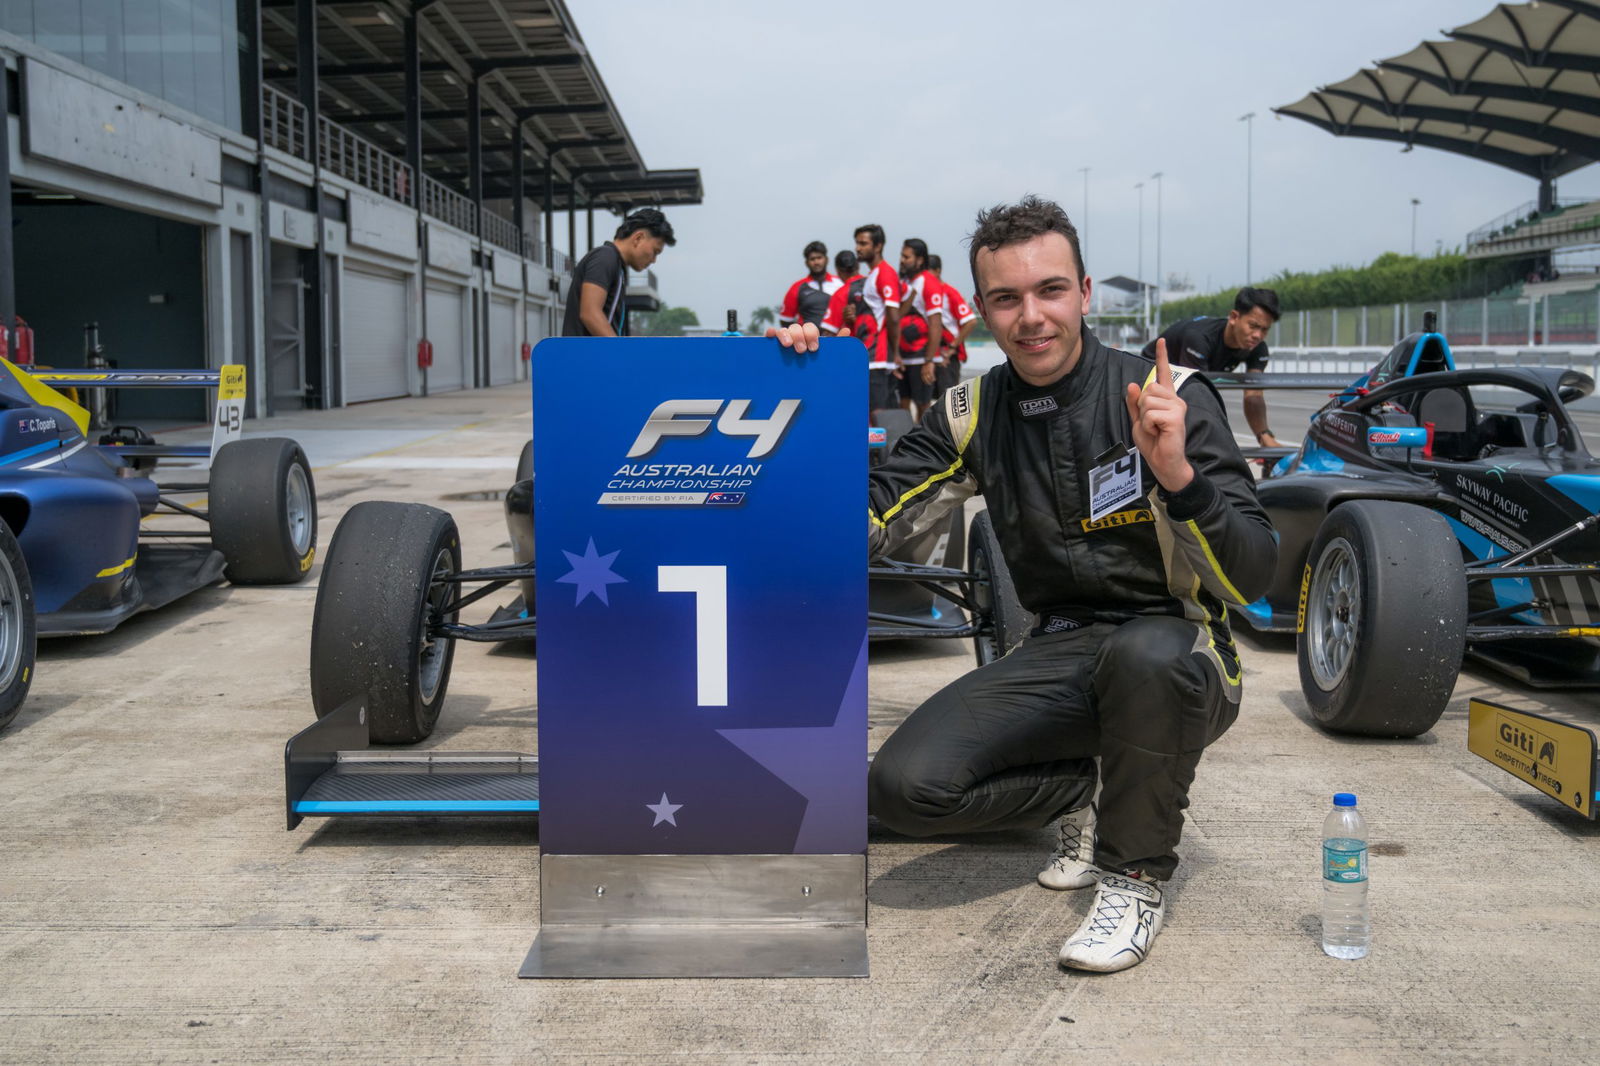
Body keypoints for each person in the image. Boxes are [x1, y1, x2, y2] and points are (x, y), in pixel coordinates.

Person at [769, 195, 1276, 973]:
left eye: (1050, 291)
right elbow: (868, 514)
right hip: (1062, 650)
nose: (1031, 316)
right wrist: (793, 395)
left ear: (1085, 292)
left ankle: (1133, 875)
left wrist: (1177, 475)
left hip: (1182, 652)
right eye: (1006, 298)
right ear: (981, 311)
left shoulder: (1171, 394)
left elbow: (1253, 574)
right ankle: (1079, 791)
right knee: (904, 790)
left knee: (1149, 656)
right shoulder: (970, 412)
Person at [1141, 288, 1283, 447]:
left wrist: (1264, 436)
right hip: (1149, 370)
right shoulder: (1199, 338)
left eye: (1264, 329)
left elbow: (1254, 394)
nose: (1258, 335)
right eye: (1253, 326)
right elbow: (1196, 396)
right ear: (1234, 317)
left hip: (1187, 382)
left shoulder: (1257, 347)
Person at [560, 208, 676, 337]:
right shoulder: (605, 257)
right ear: (638, 238)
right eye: (655, 251)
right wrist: (620, 352)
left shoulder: (617, 266)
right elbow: (590, 313)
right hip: (584, 356)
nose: (654, 260)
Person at [896, 238, 944, 419]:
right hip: (903, 357)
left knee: (922, 404)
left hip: (921, 356)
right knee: (903, 402)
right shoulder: (906, 283)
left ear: (920, 260)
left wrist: (929, 361)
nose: (902, 260)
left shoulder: (928, 282)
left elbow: (935, 323)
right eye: (902, 255)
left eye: (906, 257)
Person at [928, 254, 979, 395]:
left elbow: (971, 321)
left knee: (947, 400)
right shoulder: (924, 294)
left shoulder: (949, 293)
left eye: (928, 272)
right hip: (931, 355)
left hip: (948, 356)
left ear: (937, 271)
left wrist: (952, 346)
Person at [778, 241, 843, 329]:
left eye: (819, 258)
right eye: (812, 259)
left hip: (839, 339)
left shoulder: (840, 283)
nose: (816, 262)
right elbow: (785, 320)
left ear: (826, 259)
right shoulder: (797, 287)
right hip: (808, 340)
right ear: (806, 263)